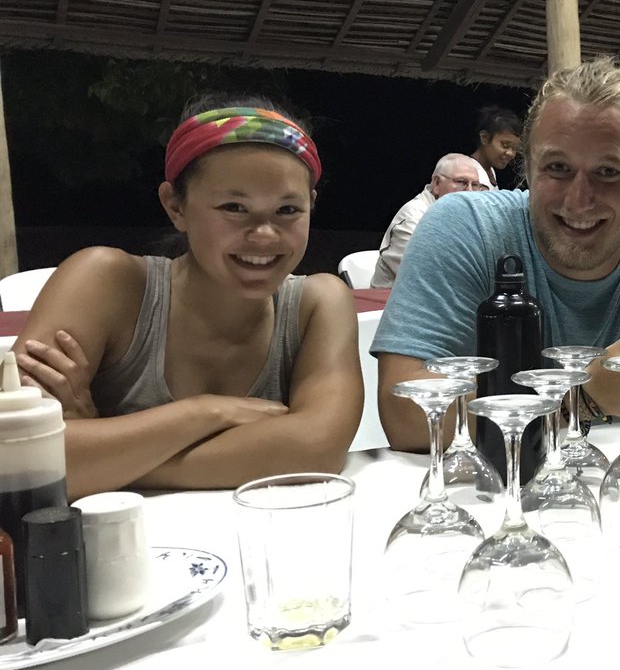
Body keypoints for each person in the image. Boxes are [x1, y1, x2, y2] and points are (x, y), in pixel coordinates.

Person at [372, 56, 620, 479]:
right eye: (558, 168)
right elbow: (404, 415)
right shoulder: (466, 227)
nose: (580, 200)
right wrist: (583, 394)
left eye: (608, 171)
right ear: (528, 167)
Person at [13, 98, 363, 500]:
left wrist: (100, 459)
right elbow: (19, 458)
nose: (265, 234)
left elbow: (316, 449)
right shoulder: (106, 281)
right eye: (234, 207)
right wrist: (205, 411)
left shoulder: (318, 303)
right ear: (176, 206)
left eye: (288, 209)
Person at [370, 152, 491, 288]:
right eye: (461, 182)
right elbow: (424, 277)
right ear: (437, 183)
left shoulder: (464, 216)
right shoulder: (413, 218)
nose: (469, 192)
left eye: (475, 185)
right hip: (393, 303)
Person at [470, 105, 522, 188]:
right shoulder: (468, 172)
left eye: (515, 148)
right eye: (505, 145)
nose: (511, 154)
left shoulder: (490, 171)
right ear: (485, 138)